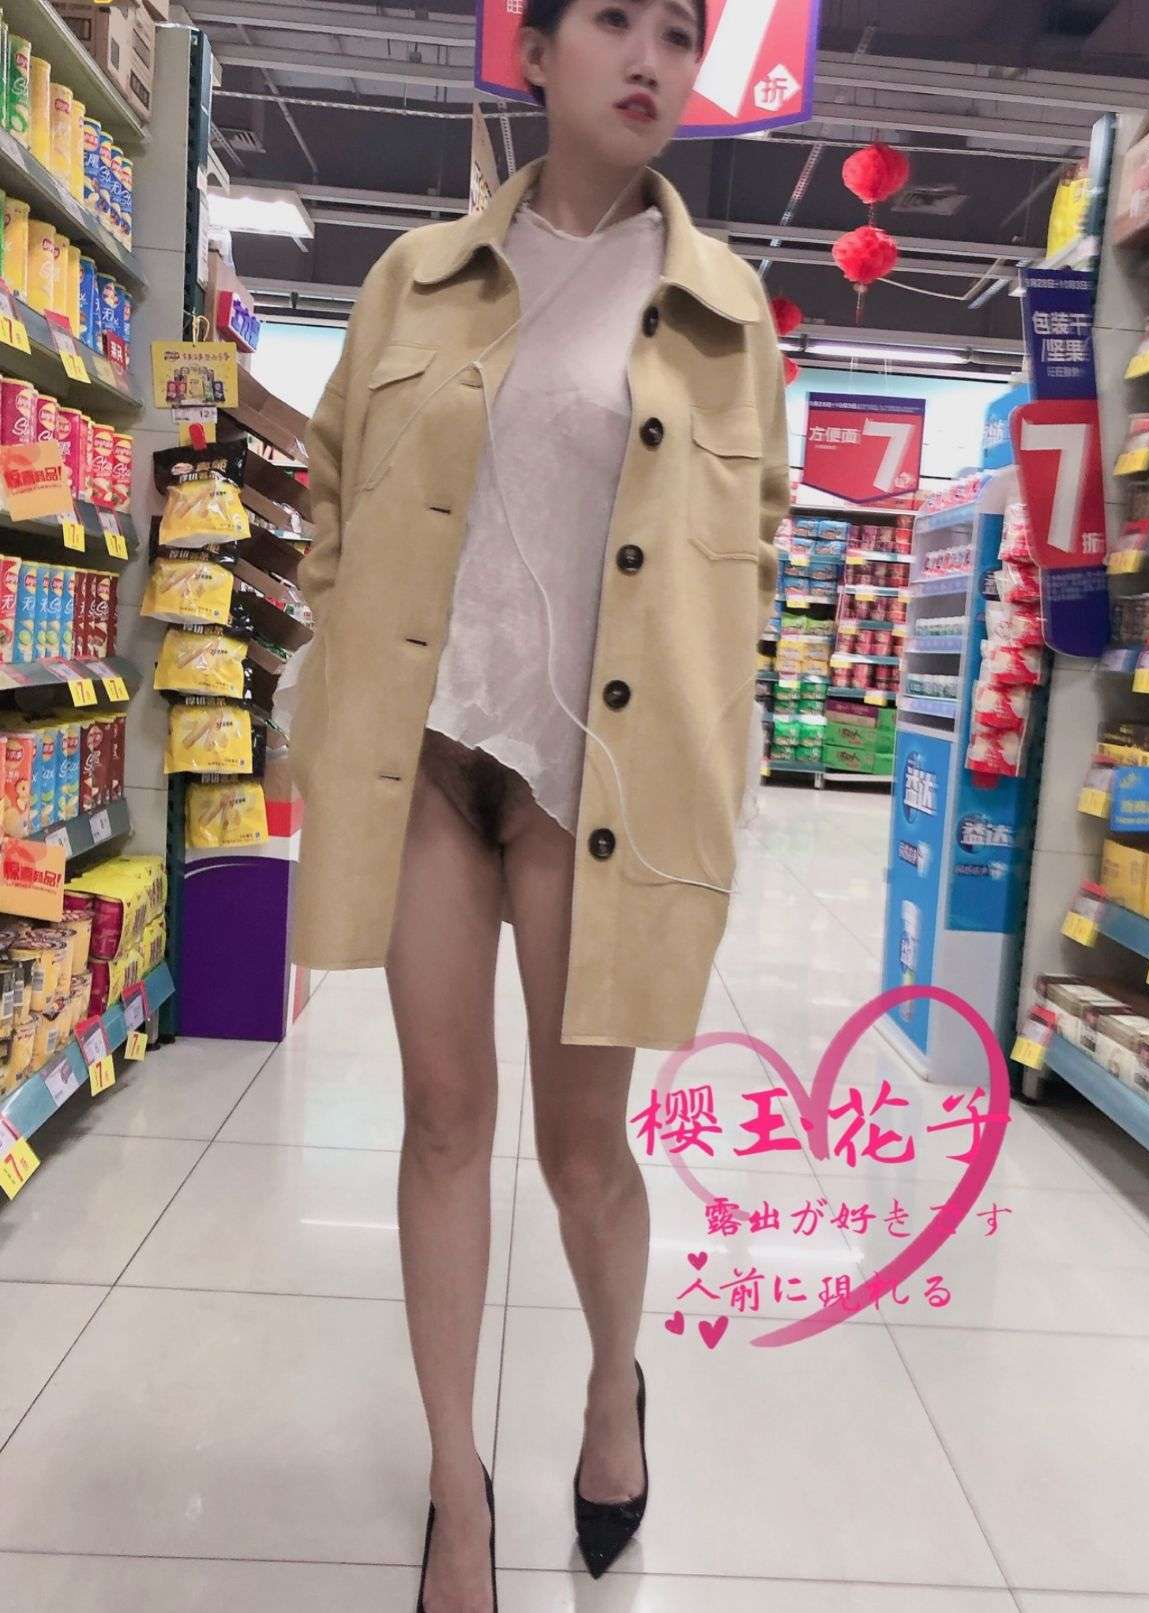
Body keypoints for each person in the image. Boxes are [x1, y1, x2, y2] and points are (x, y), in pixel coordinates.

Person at [288, 1, 789, 1607]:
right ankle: (457, 1484)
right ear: (537, 52)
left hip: (599, 785)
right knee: (444, 1119)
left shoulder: (724, 314)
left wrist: (718, 750)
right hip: (432, 755)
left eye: (681, 33)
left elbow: (749, 560)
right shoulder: (414, 278)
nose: (650, 57)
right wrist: (339, 655)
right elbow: (333, 491)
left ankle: (610, 1387)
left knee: (586, 1154)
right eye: (614, 20)